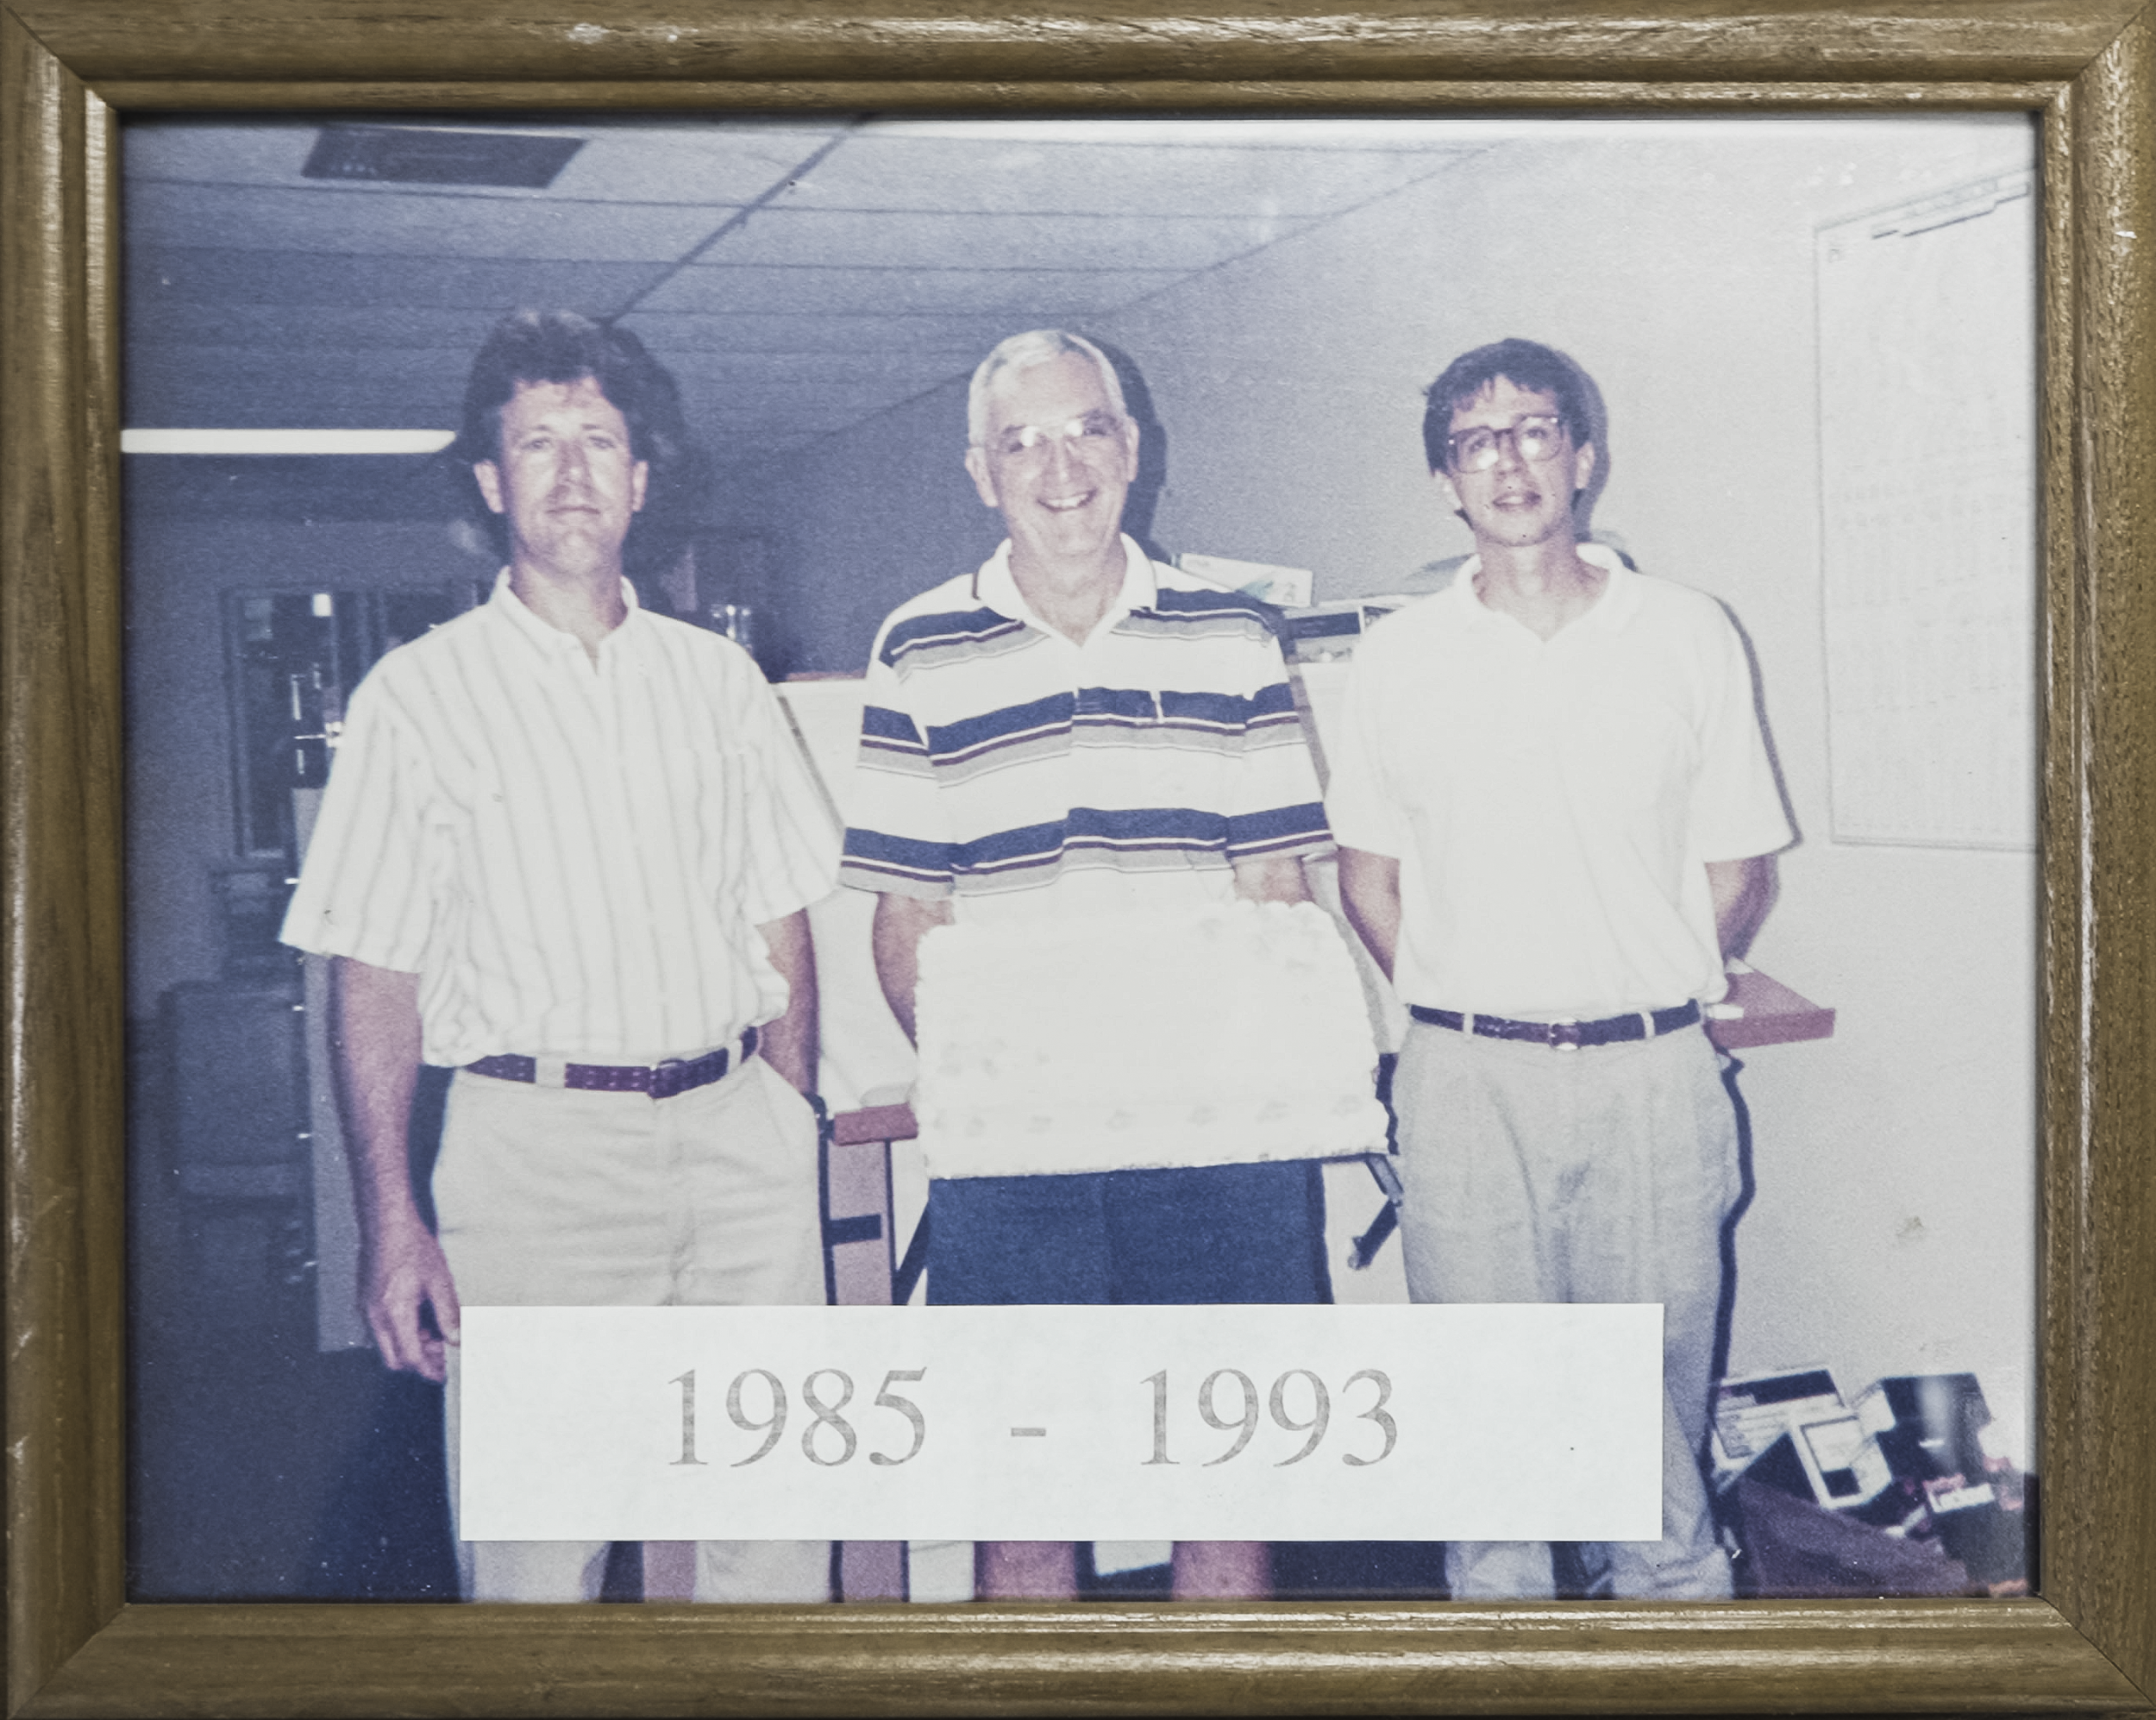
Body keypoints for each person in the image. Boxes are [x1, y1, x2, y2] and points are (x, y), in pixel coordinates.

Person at [281, 311, 840, 1604]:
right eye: (539, 443)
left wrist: (789, 1111)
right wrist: (390, 1219)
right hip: (532, 1164)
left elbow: (779, 920)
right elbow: (372, 970)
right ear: (492, 482)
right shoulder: (414, 699)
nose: (574, 470)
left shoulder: (719, 683)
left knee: (776, 1530)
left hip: (738, 1146)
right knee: (543, 1556)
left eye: (600, 440)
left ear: (644, 479)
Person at [840, 329, 1335, 1601]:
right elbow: (906, 918)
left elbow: (1272, 889)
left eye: (1085, 430)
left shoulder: (1233, 635)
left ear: (1132, 446)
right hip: (1019, 1158)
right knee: (1025, 1502)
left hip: (1218, 1141)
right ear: (979, 470)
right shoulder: (919, 645)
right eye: (1023, 441)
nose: (1059, 466)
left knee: (1225, 1489)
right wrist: (994, 1073)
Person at [1326, 336, 1793, 1602]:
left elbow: (1736, 867)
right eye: (1480, 440)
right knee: (1489, 1425)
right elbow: (1368, 878)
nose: (1512, 461)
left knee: (1649, 1421)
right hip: (1466, 1079)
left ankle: (1673, 1628)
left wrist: (1633, 976)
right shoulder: (1398, 657)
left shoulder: (1687, 632)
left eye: (1537, 430)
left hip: (1652, 1072)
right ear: (1446, 480)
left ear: (1583, 456)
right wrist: (1479, 994)